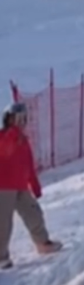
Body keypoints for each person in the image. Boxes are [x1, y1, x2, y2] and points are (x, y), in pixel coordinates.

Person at [0, 102, 62, 270]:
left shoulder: (24, 140)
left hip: (20, 186)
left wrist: (34, 185)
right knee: (3, 222)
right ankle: (1, 257)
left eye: (23, 118)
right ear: (8, 119)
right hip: (3, 186)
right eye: (16, 118)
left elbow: (28, 164)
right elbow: (5, 150)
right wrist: (14, 132)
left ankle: (43, 243)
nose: (20, 122)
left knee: (33, 213)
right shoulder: (3, 136)